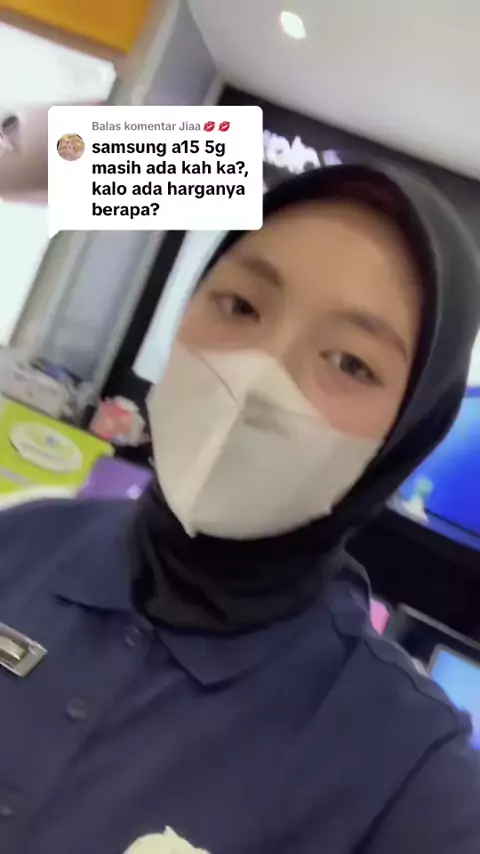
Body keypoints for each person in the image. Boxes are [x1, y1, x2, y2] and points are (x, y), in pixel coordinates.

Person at [0, 162, 479, 854]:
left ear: (403, 437)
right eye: (242, 307)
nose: (257, 376)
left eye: (350, 362)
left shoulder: (406, 772)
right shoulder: (20, 543)